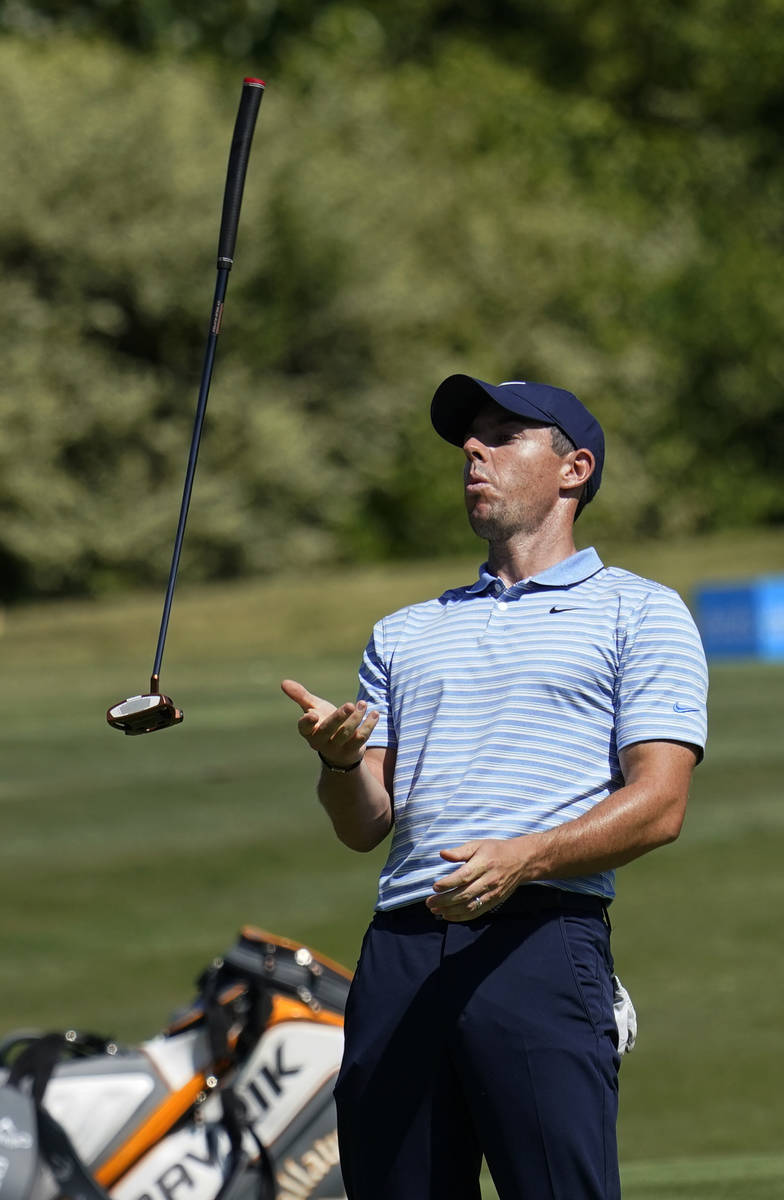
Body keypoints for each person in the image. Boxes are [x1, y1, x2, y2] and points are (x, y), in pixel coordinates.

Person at [281, 373, 708, 1200]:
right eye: (469, 438)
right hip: (401, 949)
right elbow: (365, 824)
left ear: (574, 468)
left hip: (540, 938)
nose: (473, 450)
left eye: (505, 434)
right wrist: (338, 762)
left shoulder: (640, 611)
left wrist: (526, 857)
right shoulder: (405, 631)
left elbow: (660, 803)